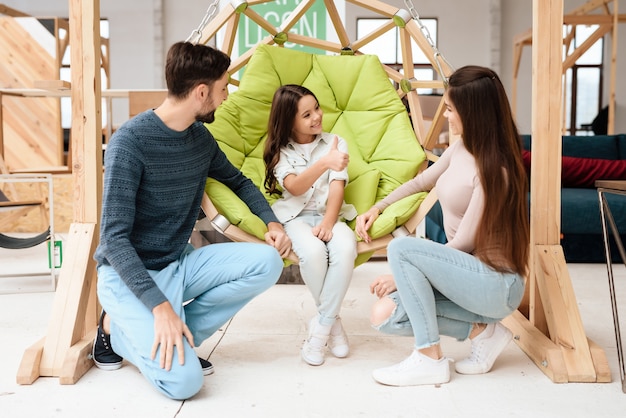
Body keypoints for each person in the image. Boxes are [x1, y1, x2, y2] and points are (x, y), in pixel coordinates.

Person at [92, 41, 292, 400]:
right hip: (127, 275)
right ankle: (112, 330)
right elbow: (114, 240)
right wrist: (161, 307)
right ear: (202, 93)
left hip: (177, 263)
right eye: (223, 89)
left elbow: (238, 181)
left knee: (267, 261)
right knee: (184, 384)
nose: (226, 97)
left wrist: (271, 222)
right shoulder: (130, 142)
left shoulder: (200, 139)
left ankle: (176, 337)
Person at [355, 65, 529, 386]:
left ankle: (428, 357)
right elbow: (421, 182)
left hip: (494, 284)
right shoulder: (461, 147)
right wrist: (376, 209)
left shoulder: (496, 170)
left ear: (472, 113)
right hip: (464, 277)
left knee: (402, 248)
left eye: (450, 108)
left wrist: (401, 273)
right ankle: (483, 333)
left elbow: (462, 244)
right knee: (385, 314)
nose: (446, 115)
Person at [263, 84, 358, 366]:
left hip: (331, 215)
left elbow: (338, 187)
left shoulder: (335, 142)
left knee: (346, 247)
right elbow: (294, 187)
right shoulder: (281, 150)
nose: (317, 116)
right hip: (295, 219)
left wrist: (329, 223)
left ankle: (320, 330)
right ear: (288, 120)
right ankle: (334, 325)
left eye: (316, 108)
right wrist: (324, 163)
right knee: (314, 253)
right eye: (306, 114)